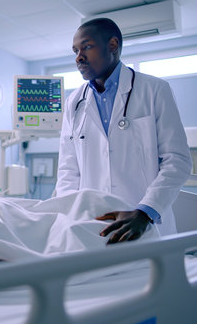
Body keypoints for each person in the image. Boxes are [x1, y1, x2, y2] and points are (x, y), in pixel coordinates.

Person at [56, 18, 192, 244]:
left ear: (112, 45)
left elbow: (177, 161)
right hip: (92, 226)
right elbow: (68, 172)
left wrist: (146, 211)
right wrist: (69, 218)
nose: (78, 57)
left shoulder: (154, 90)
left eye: (87, 47)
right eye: (75, 51)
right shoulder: (74, 103)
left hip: (146, 225)